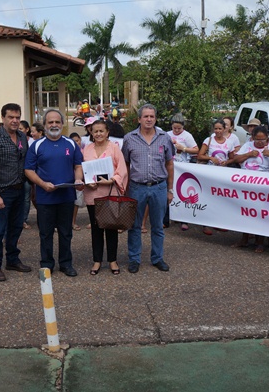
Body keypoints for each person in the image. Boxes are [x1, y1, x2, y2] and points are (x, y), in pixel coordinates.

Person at [25, 109, 84, 276]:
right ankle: (47, 264)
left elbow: (78, 166)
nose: (54, 125)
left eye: (57, 122)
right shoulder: (36, 145)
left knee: (66, 232)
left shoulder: (71, 144)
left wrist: (78, 179)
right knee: (46, 233)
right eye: (50, 122)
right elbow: (28, 170)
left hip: (66, 197)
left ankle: (66, 263)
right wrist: (42, 184)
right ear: (44, 125)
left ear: (62, 124)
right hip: (45, 197)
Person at [122, 103, 174, 273]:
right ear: (139, 119)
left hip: (159, 187)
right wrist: (125, 188)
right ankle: (134, 259)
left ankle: (157, 258)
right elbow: (126, 163)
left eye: (152, 116)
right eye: (146, 116)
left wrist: (170, 189)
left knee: (158, 226)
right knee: (135, 225)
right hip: (137, 187)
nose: (149, 119)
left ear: (155, 118)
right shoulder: (130, 138)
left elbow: (170, 164)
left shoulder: (164, 137)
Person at [0, 103, 31, 282]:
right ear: (3, 118)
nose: (15, 121)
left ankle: (12, 260)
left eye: (17, 117)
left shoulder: (22, 136)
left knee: (16, 228)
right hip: (2, 192)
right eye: (11, 117)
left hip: (20, 189)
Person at [83, 120, 128, 275]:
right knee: (96, 228)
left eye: (101, 131)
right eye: (95, 131)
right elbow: (83, 170)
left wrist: (113, 180)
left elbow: (121, 169)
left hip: (110, 192)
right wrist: (87, 182)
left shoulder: (114, 148)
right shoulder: (87, 149)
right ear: (91, 133)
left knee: (111, 228)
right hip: (93, 194)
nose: (98, 134)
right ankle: (97, 261)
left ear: (107, 132)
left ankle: (112, 260)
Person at [233, 126, 269, 251]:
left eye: (263, 139)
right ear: (253, 138)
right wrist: (249, 154)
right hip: (246, 184)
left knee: (260, 213)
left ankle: (260, 241)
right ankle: (244, 238)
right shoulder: (247, 146)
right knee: (245, 211)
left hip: (264, 186)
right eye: (257, 139)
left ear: (267, 138)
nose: (260, 142)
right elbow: (236, 159)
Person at [197, 120, 235, 235]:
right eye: (216, 128)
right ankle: (206, 224)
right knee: (208, 198)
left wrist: (227, 162)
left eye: (220, 129)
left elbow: (233, 158)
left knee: (220, 198)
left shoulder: (229, 143)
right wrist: (210, 158)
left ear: (225, 129)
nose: (218, 131)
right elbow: (200, 155)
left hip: (222, 174)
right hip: (209, 173)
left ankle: (218, 222)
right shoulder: (208, 140)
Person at [167, 113, 198, 231]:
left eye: (179, 128)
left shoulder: (187, 136)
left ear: (183, 127)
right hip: (169, 166)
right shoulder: (167, 135)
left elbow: (196, 150)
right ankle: (168, 218)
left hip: (183, 168)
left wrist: (183, 148)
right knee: (168, 191)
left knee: (182, 192)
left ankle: (184, 220)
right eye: (174, 128)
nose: (176, 130)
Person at [19, 120, 34, 230]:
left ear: (27, 129)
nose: (19, 130)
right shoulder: (15, 139)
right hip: (17, 175)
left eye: (21, 129)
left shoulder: (33, 142)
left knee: (26, 198)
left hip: (28, 175)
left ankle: (24, 219)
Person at [69, 132, 85, 231]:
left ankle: (73, 222)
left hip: (80, 181)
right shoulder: (68, 151)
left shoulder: (85, 151)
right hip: (70, 181)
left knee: (76, 203)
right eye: (73, 141)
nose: (76, 143)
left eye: (77, 140)